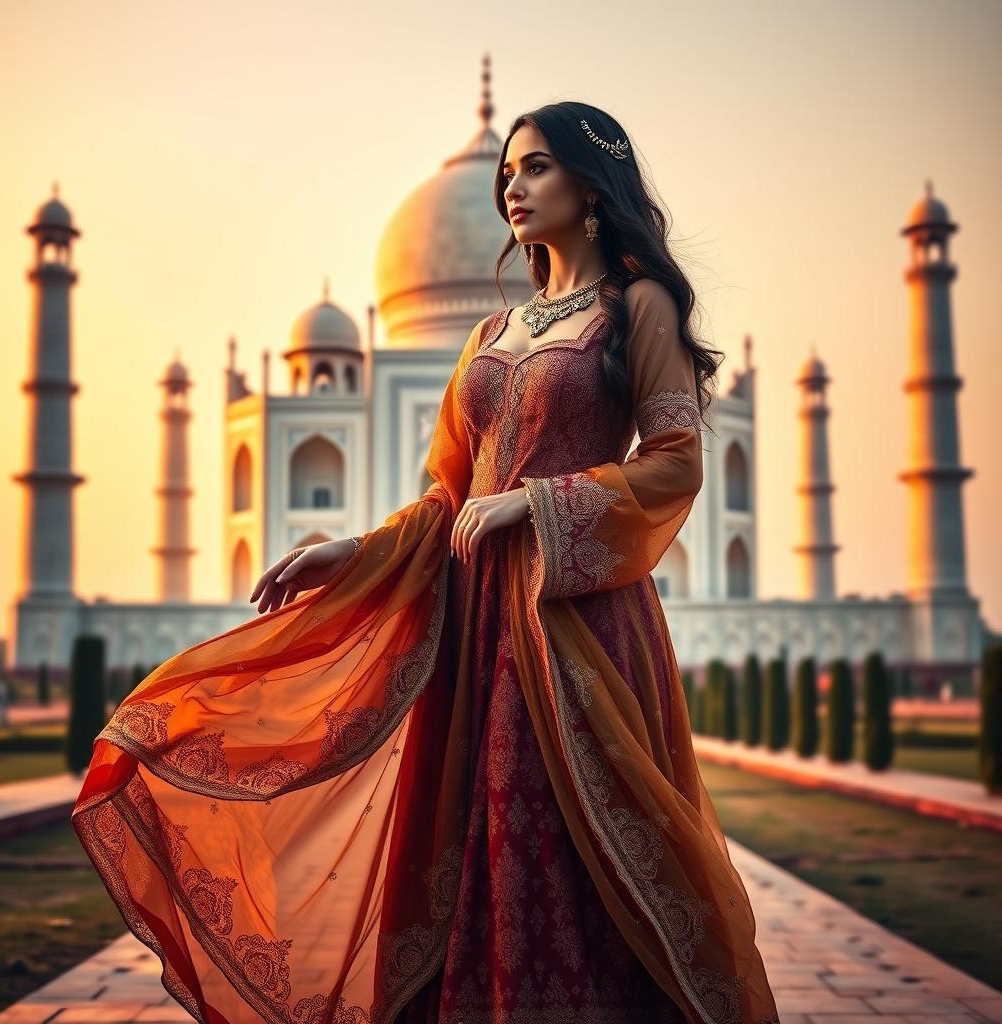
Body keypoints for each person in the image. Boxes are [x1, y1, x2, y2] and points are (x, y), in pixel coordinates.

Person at [72, 101, 780, 1024]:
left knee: (574, 848)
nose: (512, 189)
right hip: (476, 624)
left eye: (535, 169)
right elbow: (448, 496)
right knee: (473, 844)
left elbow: (676, 461)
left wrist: (538, 501)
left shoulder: (635, 308)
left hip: (574, 625)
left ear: (593, 190)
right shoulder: (490, 337)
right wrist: (349, 551)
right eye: (507, 175)